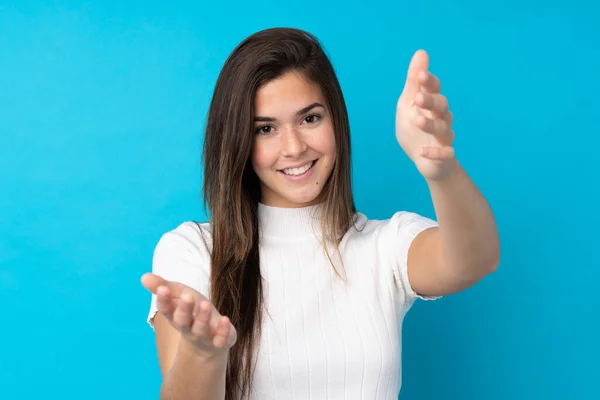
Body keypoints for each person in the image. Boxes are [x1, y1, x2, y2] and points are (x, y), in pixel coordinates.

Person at [141, 27, 500, 400]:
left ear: (335, 121)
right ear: (238, 143)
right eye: (265, 129)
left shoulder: (384, 247)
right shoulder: (193, 251)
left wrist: (440, 171)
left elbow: (476, 259)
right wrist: (203, 353)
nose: (294, 147)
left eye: (309, 119)